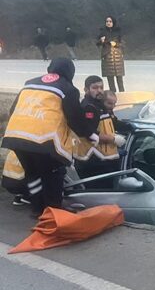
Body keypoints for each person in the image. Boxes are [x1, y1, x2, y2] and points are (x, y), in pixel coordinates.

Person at [1, 58, 99, 216]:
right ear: (70, 73)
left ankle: (37, 209)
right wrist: (90, 134)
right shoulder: (68, 89)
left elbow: (13, 109)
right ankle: (53, 212)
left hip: (16, 137)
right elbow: (74, 117)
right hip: (43, 141)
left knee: (32, 174)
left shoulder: (29, 83)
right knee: (53, 174)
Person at [74, 75, 125, 181]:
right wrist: (113, 139)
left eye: (101, 87)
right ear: (86, 90)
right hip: (93, 162)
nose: (100, 91)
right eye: (95, 88)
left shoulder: (100, 105)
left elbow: (110, 123)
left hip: (103, 160)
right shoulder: (89, 107)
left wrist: (129, 126)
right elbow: (89, 133)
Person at [97, 16, 125, 92]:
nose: (108, 23)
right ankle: (113, 95)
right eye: (107, 21)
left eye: (110, 21)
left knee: (120, 79)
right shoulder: (102, 32)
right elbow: (98, 44)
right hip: (107, 57)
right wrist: (101, 41)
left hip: (117, 57)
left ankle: (122, 94)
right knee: (110, 80)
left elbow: (122, 43)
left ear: (113, 22)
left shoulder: (118, 31)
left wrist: (116, 44)